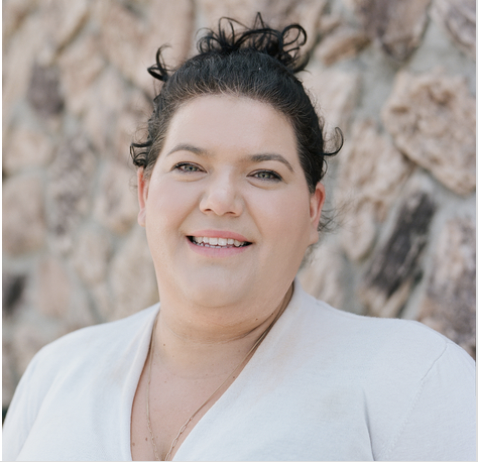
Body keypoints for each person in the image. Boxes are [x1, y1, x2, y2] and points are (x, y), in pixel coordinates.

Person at [2, 15, 475, 462]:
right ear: (144, 193)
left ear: (313, 210)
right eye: (189, 166)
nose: (221, 200)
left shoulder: (413, 378)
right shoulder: (56, 374)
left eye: (265, 173)